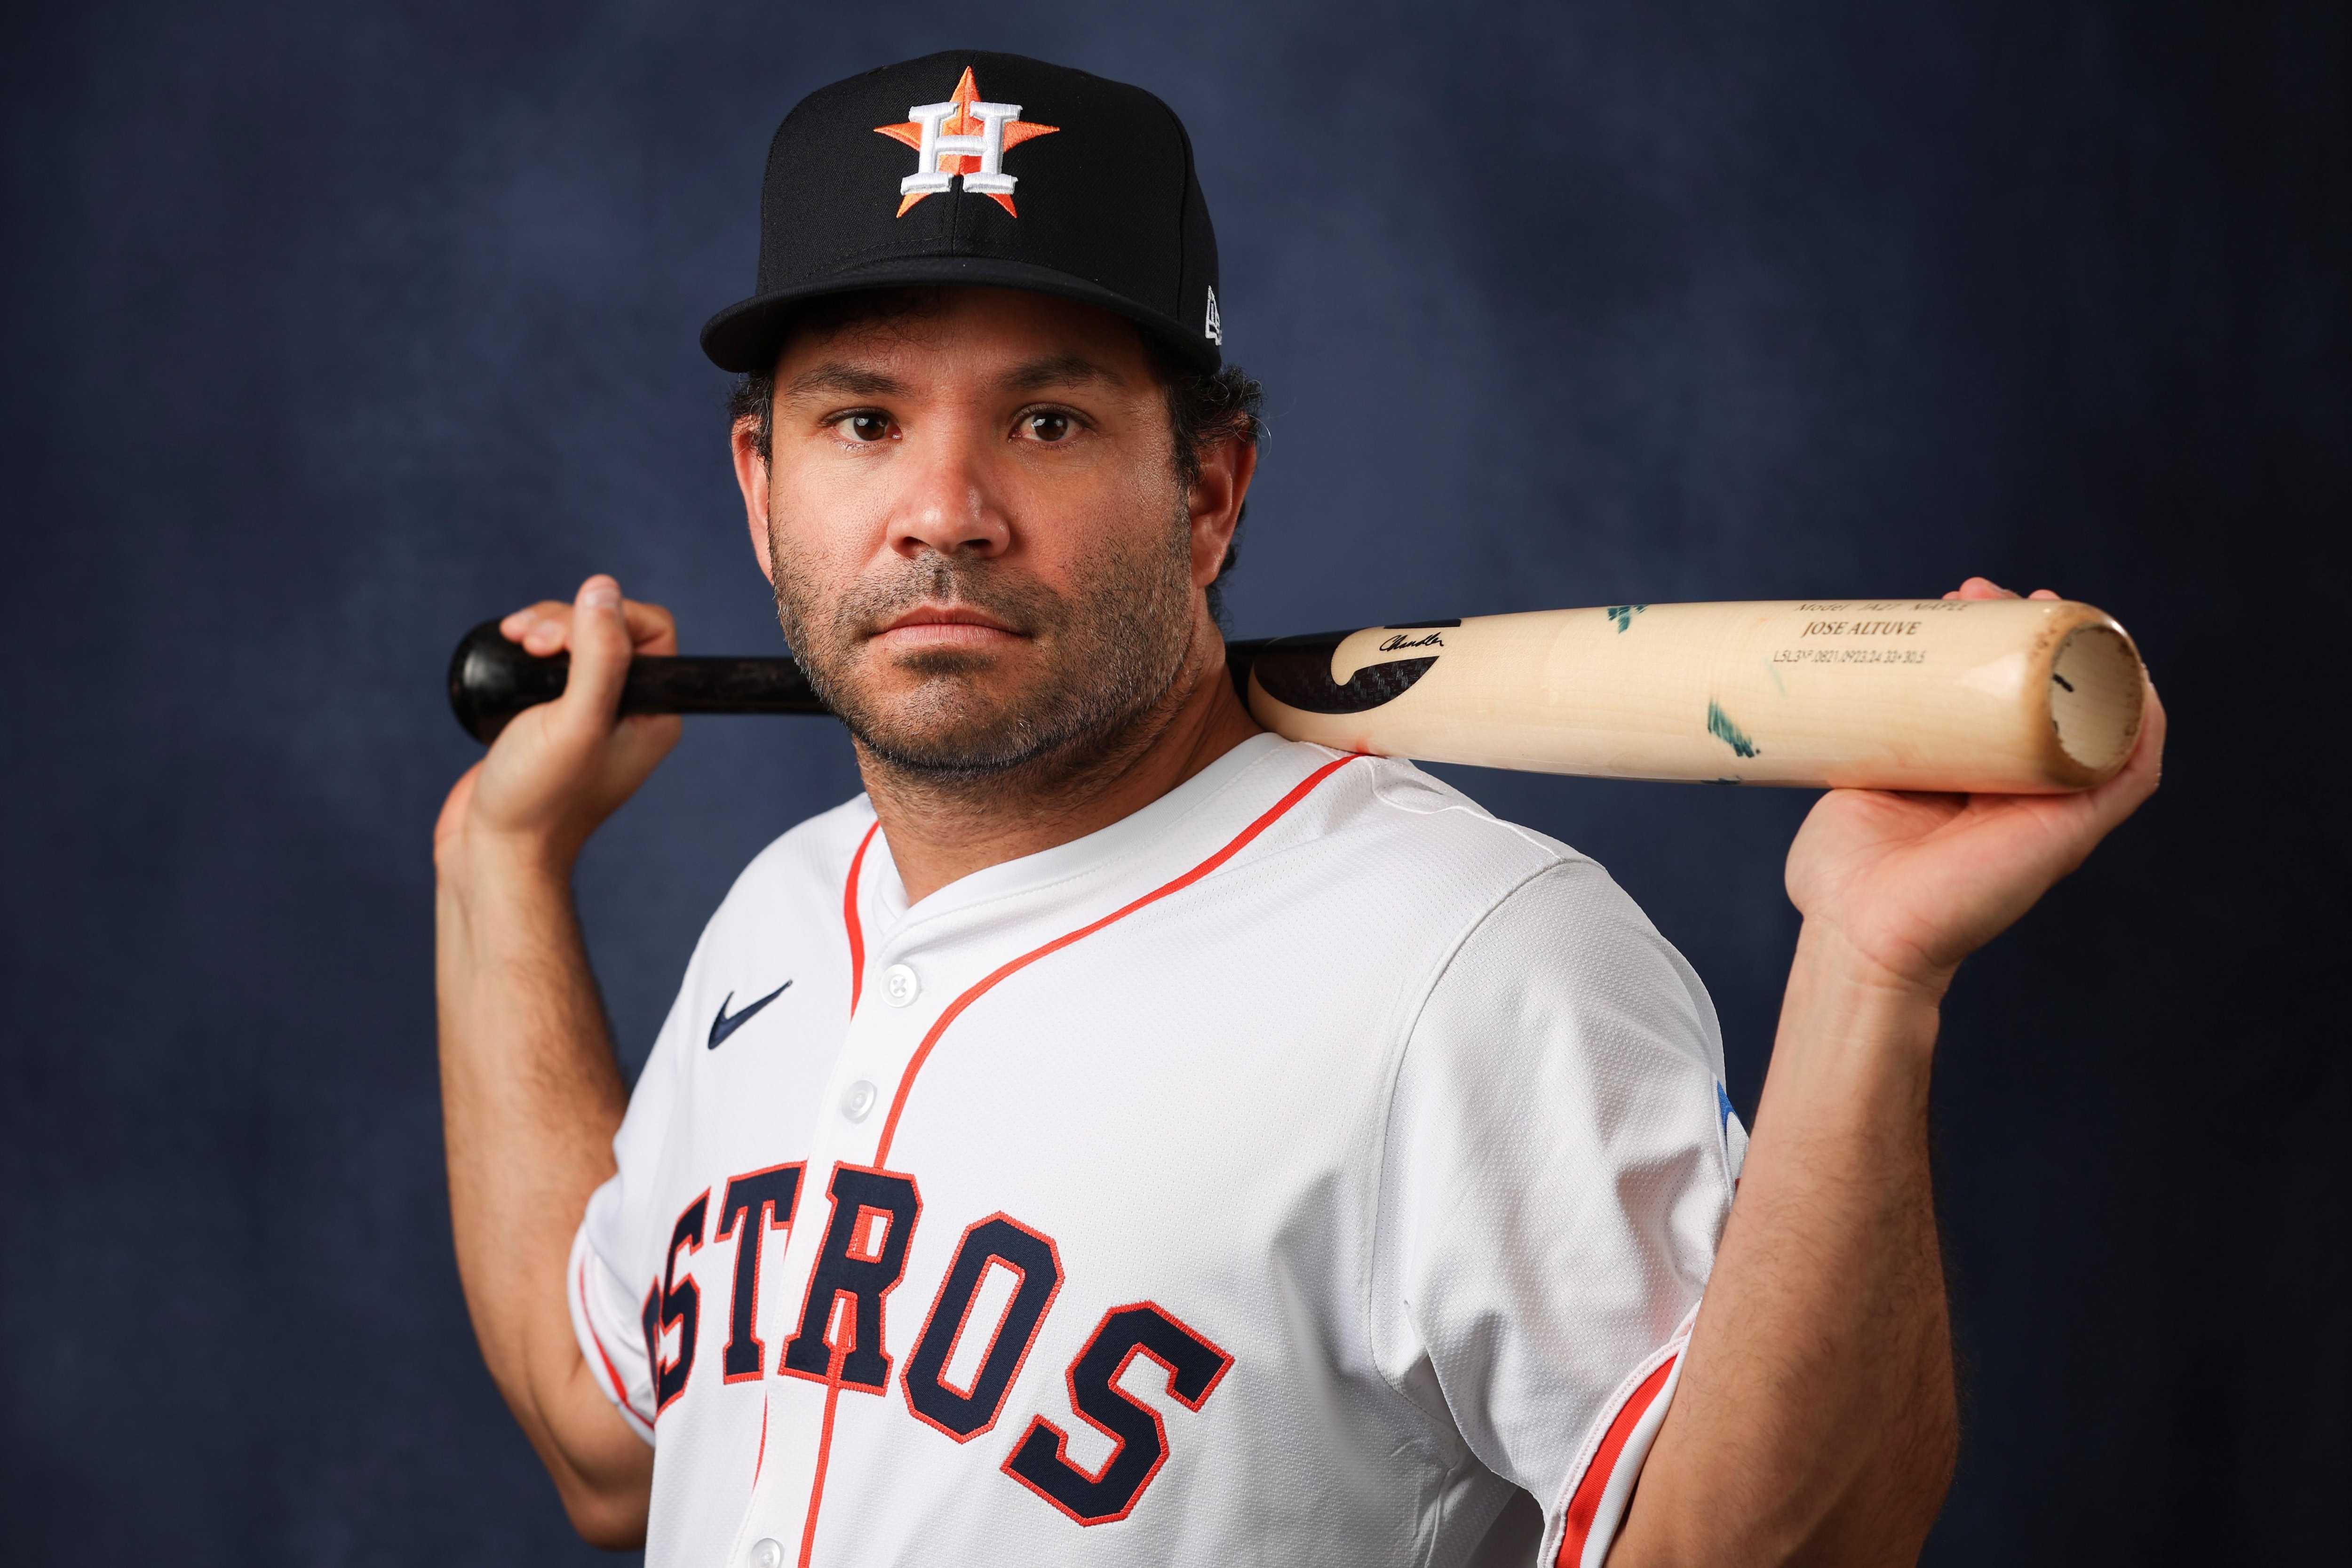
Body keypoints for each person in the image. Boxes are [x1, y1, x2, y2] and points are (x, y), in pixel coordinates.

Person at [433, 51, 2161, 1568]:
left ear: (1208, 490)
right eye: (864, 420)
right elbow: (608, 1443)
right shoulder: (783, 908)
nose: (943, 510)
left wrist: (1871, 973)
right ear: (762, 487)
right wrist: (500, 860)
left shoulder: (1471, 962)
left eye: (1048, 420)